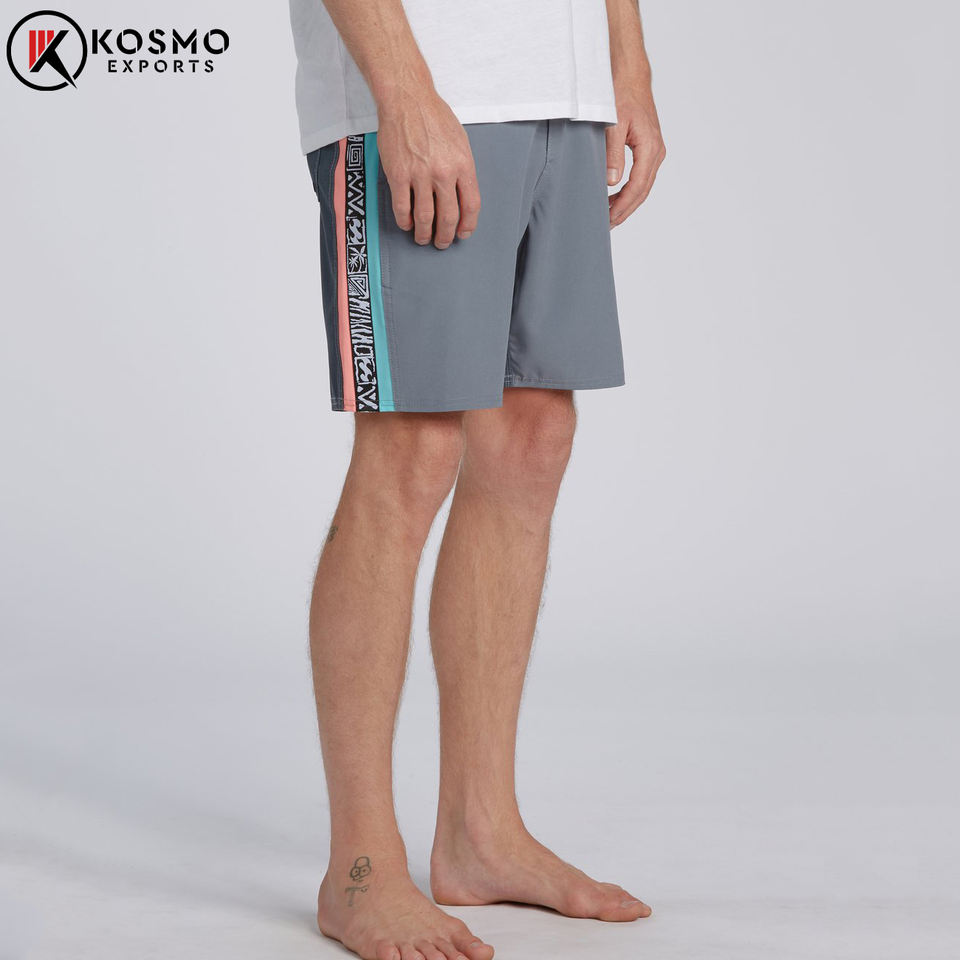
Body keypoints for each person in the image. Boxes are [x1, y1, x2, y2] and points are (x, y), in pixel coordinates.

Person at [288, 1, 665, 957]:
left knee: (532, 436)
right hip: (424, 85)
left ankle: (480, 833)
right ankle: (359, 868)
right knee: (413, 447)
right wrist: (403, 88)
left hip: (564, 89)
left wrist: (626, 63)